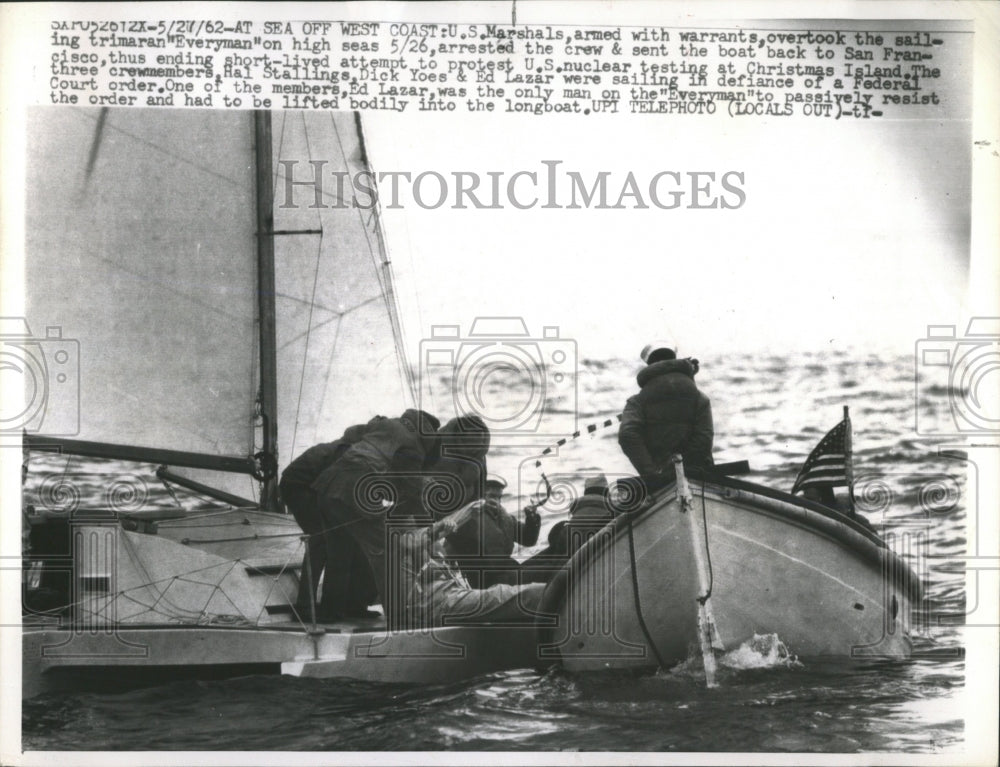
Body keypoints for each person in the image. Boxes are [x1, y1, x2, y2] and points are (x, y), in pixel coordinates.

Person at [311, 408, 441, 620]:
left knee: (339, 553)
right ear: (428, 434)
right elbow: (413, 493)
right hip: (356, 492)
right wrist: (431, 530)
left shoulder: (383, 425)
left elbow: (350, 435)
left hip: (327, 486)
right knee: (388, 552)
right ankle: (399, 616)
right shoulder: (413, 446)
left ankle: (331, 612)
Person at [279, 416, 386, 620]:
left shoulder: (361, 447)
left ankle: (351, 605)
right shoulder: (349, 450)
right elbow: (336, 485)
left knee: (349, 543)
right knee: (320, 540)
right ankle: (305, 608)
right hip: (300, 486)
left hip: (320, 489)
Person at [395, 500, 547, 630]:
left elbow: (437, 552)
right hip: (436, 604)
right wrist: (465, 514)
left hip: (451, 594)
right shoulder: (402, 543)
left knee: (529, 592)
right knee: (530, 595)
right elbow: (415, 541)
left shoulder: (432, 543)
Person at [618, 342, 714, 487]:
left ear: (649, 365)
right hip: (700, 477)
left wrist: (651, 473)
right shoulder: (699, 396)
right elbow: (704, 436)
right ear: (674, 359)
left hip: (661, 481)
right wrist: (685, 467)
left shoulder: (637, 401)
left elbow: (627, 435)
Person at [447, 475, 541, 587]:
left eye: (499, 497)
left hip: (509, 571)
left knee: (556, 560)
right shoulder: (467, 518)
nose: (496, 501)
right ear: (479, 495)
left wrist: (532, 520)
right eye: (491, 496)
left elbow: (528, 540)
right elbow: (452, 543)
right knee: (545, 575)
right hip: (488, 580)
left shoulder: (504, 517)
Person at [521, 474, 615, 583]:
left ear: (585, 494)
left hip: (562, 579)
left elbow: (555, 563)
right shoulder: (616, 518)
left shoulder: (567, 527)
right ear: (608, 494)